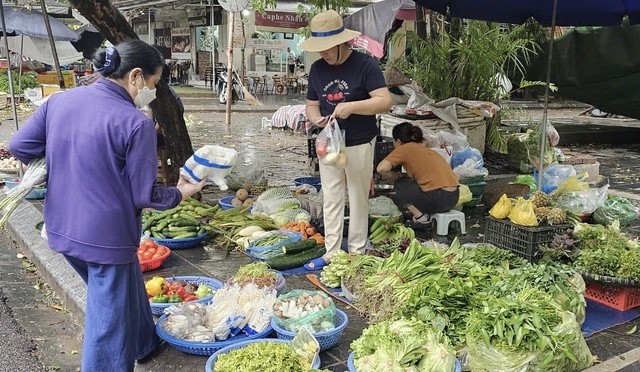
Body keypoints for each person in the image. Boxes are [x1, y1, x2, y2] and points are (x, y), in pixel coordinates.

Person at [8, 39, 205, 371]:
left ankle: (144, 342)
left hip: (60, 227)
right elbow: (145, 196)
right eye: (152, 85)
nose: (151, 93)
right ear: (136, 76)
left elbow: (19, 146)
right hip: (106, 239)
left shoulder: (60, 102)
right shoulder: (135, 122)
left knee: (123, 286)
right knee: (107, 327)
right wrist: (183, 191)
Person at [301, 10, 393, 270]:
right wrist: (316, 117)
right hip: (329, 142)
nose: (323, 54)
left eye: (328, 48)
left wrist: (351, 107)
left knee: (357, 195)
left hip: (359, 142)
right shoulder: (318, 69)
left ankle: (356, 251)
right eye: (320, 49)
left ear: (343, 42)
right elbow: (311, 104)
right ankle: (331, 252)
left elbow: (384, 101)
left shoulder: (365, 65)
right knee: (331, 196)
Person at [376, 122, 460, 224]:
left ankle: (420, 217)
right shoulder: (426, 150)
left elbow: (381, 168)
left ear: (398, 141)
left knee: (400, 183)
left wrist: (395, 176)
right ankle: (424, 213)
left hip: (438, 199)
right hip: (453, 198)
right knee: (410, 182)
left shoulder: (403, 149)